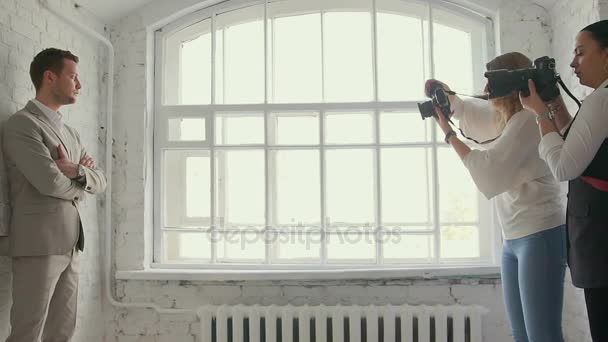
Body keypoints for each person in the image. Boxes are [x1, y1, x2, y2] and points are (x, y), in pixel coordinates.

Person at [426, 52, 566, 342]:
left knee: (542, 336)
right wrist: (449, 99)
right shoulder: (508, 117)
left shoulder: (529, 119)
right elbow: (476, 112)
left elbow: (490, 170)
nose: (487, 91)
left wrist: (449, 134)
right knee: (520, 336)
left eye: (492, 83)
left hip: (539, 233)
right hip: (512, 238)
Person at [2, 48, 107, 342]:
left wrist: (76, 171)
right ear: (50, 77)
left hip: (72, 243)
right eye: (73, 76)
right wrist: (81, 183)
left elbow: (101, 181)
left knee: (63, 331)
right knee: (27, 330)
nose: (79, 84)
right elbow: (48, 182)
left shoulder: (71, 133)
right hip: (38, 243)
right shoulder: (23, 124)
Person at [520, 20, 608, 342]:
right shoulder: (600, 98)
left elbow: (563, 166)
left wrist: (539, 113)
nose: (572, 63)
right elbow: (579, 144)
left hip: (601, 243)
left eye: (581, 53)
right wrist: (553, 101)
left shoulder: (603, 99)